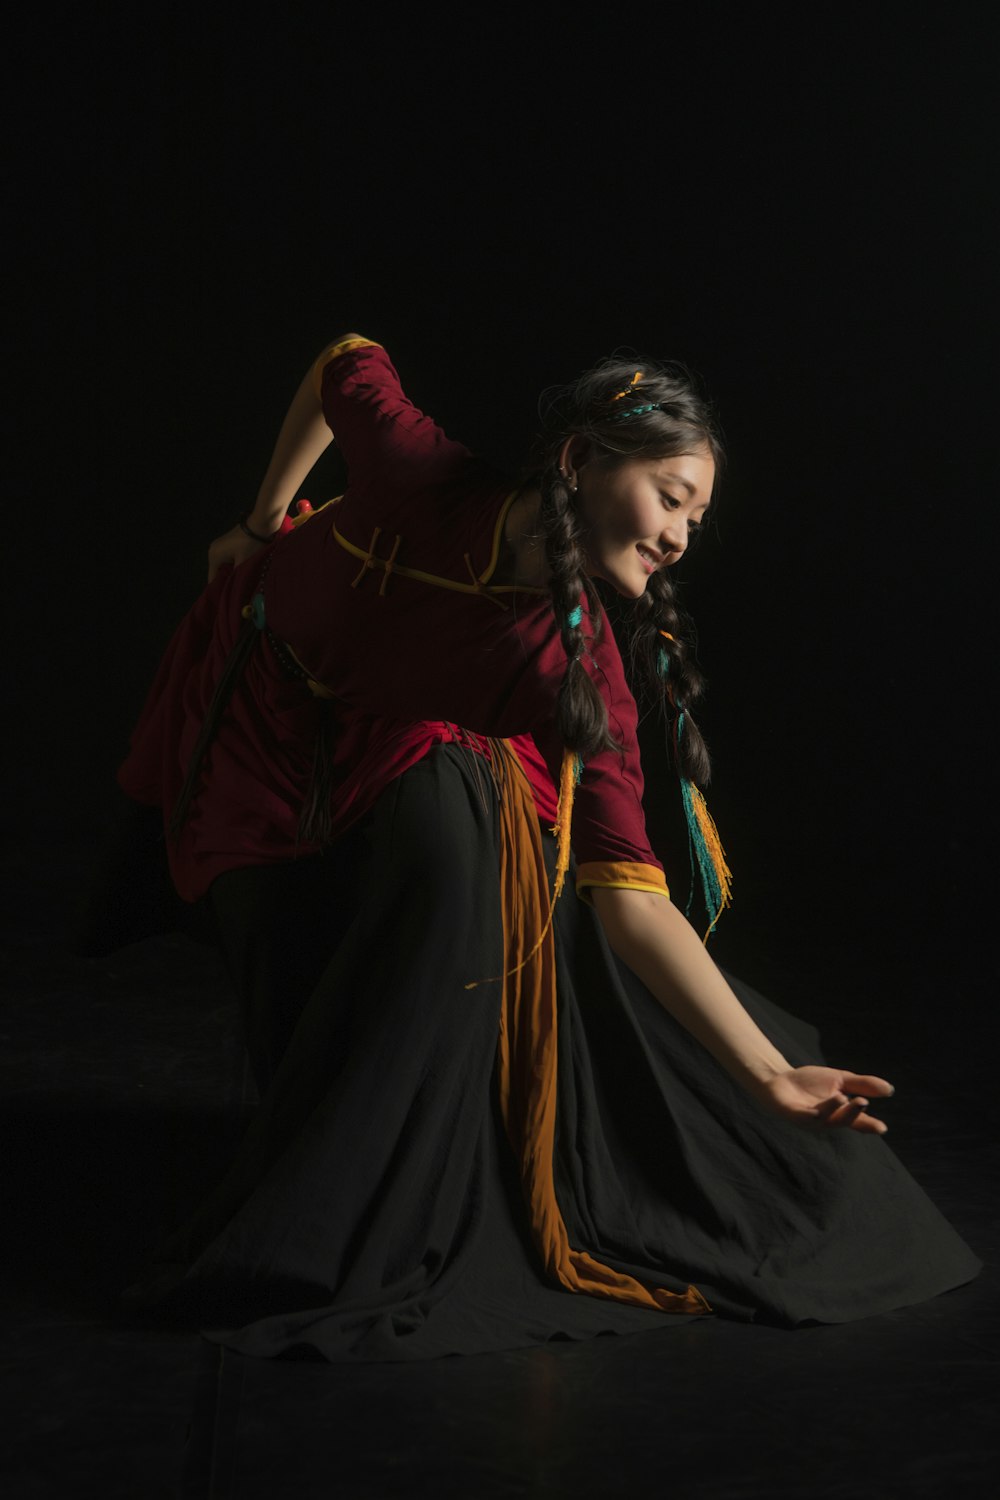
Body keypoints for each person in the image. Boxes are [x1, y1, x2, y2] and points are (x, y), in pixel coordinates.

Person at [112, 334, 980, 1360]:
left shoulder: (576, 662)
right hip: (266, 698)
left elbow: (634, 902)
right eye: (671, 497)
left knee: (446, 880)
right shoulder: (416, 468)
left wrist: (766, 1077)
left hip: (392, 735)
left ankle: (378, 1167)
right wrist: (260, 523)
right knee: (260, 934)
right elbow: (341, 359)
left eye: (697, 519)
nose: (680, 540)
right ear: (577, 461)